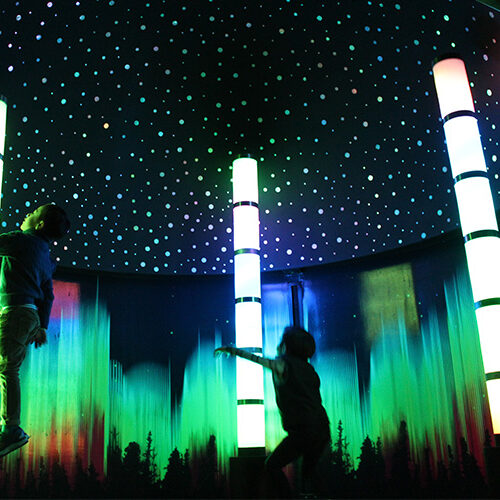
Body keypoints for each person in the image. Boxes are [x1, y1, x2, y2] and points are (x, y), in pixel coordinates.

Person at [215, 326, 331, 497]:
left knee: (272, 465)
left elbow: (256, 359)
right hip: (321, 428)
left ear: (287, 346)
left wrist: (232, 350)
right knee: (309, 474)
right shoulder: (309, 369)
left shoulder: (283, 364)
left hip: (304, 430)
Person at [0, 204, 70, 457]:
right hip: (28, 316)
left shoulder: (21, 240)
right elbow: (48, 295)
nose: (26, 213)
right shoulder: (44, 256)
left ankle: (11, 428)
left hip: (15, 313)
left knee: (7, 367)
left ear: (39, 224)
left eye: (32, 213)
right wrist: (41, 326)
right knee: (8, 366)